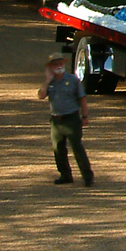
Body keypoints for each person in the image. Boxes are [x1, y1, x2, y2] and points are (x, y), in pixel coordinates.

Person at [37, 52, 93, 186]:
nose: (58, 66)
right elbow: (41, 95)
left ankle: (87, 176)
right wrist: (47, 80)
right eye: (55, 64)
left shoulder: (73, 80)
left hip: (72, 119)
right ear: (51, 67)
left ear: (64, 65)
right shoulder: (50, 83)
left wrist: (84, 116)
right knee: (58, 149)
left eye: (60, 63)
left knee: (77, 147)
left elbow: (82, 99)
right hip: (56, 120)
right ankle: (65, 175)